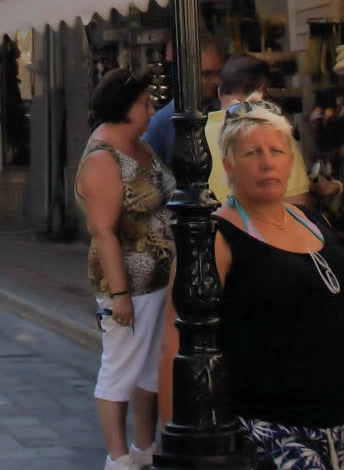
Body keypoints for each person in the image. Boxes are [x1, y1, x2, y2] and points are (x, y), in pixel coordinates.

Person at [160, 97, 344, 468]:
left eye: (276, 150)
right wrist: (174, 442)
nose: (267, 162)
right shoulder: (215, 237)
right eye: (252, 153)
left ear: (290, 159)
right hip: (269, 431)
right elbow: (173, 345)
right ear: (229, 164)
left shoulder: (311, 219)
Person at [75, 69, 175, 470]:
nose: (151, 109)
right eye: (144, 103)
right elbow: (104, 232)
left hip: (159, 279)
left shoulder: (140, 146)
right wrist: (120, 296)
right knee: (119, 368)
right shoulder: (103, 159)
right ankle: (118, 457)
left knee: (150, 369)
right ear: (123, 108)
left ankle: (144, 447)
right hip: (129, 284)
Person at [205, 54, 310, 204]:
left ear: (220, 91)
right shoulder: (275, 133)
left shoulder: (196, 136)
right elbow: (298, 204)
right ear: (262, 89)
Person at [145, 37, 223, 167]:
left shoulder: (224, 111)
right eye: (207, 74)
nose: (216, 81)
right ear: (186, 74)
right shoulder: (160, 124)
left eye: (219, 73)